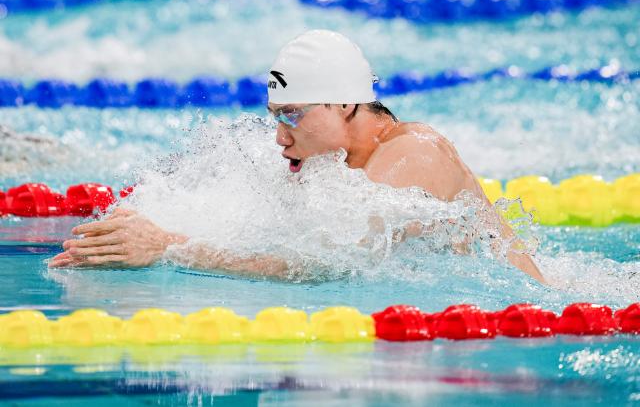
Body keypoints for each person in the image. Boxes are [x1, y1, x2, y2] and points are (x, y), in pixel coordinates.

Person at [49, 30, 545, 284]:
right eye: (274, 117)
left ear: (346, 103)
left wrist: (168, 246)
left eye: (292, 115)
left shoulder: (414, 152)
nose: (279, 136)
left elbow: (324, 265)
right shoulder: (333, 165)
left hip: (532, 317)